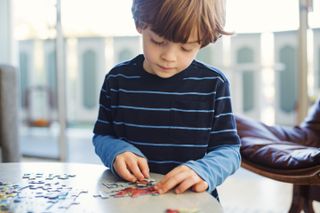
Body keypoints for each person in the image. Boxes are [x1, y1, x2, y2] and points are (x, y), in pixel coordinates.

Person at [92, 0, 241, 200]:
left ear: (203, 40)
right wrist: (117, 152)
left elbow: (229, 150)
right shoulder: (117, 80)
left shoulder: (214, 84)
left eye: (186, 48)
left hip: (191, 202)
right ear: (140, 24)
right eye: (158, 42)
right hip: (129, 202)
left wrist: (204, 170)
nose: (169, 57)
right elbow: (102, 135)